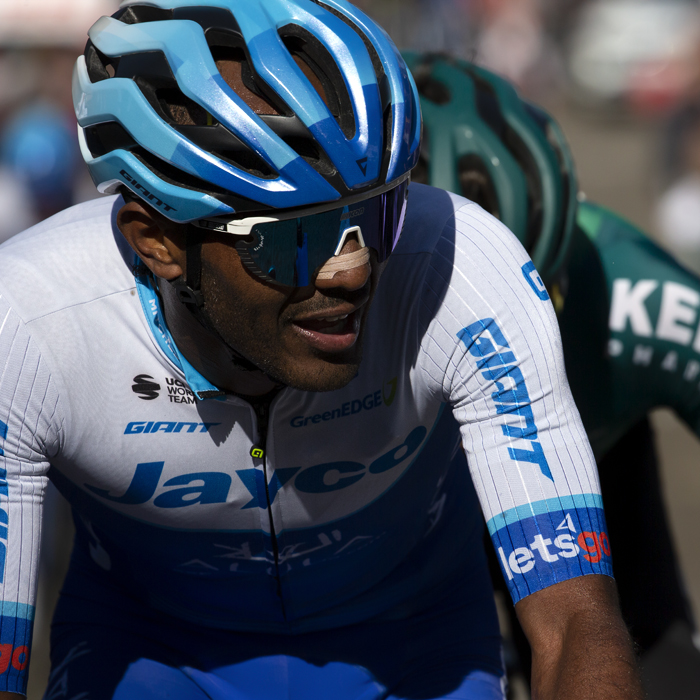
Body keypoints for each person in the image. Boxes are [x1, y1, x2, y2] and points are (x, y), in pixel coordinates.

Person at [0, 2, 643, 699]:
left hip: (415, 645)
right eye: (293, 240)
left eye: (374, 213)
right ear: (157, 241)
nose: (353, 271)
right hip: (151, 652)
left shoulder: (464, 266)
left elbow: (577, 621)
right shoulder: (32, 322)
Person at [404, 51, 700, 698]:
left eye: (542, 310)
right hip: (413, 504)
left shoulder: (635, 290)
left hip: (587, 465)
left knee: (660, 672)